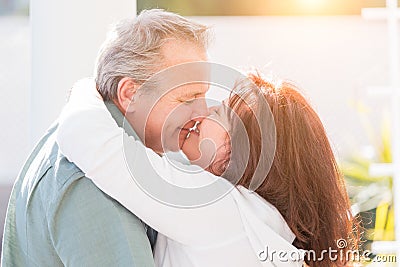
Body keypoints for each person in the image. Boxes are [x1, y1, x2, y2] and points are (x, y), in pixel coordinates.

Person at [55, 70, 360, 267]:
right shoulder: (264, 226)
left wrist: (86, 86)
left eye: (223, 111)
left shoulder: (220, 209)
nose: (207, 109)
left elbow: (86, 137)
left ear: (247, 149)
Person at [1, 9, 210, 266]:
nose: (203, 113)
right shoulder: (93, 183)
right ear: (130, 94)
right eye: (187, 98)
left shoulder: (103, 149)